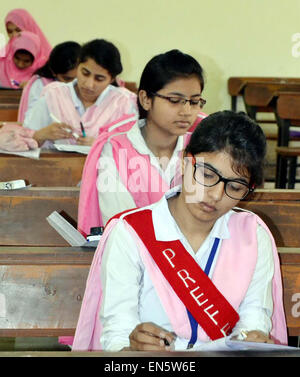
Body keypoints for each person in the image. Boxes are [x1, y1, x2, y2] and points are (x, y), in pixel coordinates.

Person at [72, 110, 287, 351]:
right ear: (185, 161)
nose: (215, 195)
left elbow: (254, 318)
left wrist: (252, 339)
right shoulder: (131, 232)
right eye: (207, 175)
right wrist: (131, 348)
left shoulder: (253, 236)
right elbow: (118, 332)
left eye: (235, 187)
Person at [78, 49, 207, 237]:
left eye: (194, 102)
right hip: (133, 257)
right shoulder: (115, 149)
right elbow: (120, 224)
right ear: (146, 99)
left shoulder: (203, 147)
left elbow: (207, 216)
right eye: (174, 100)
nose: (186, 111)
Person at [23, 39, 137, 148]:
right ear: (77, 66)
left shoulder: (124, 103)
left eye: (99, 79)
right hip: (55, 166)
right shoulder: (53, 95)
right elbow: (23, 140)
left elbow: (135, 149)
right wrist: (41, 134)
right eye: (85, 73)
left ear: (112, 79)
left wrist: (101, 146)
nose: (89, 84)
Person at [18, 41, 81, 122]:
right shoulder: (40, 85)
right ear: (53, 72)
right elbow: (33, 120)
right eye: (67, 79)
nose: (72, 83)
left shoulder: (84, 85)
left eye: (77, 78)